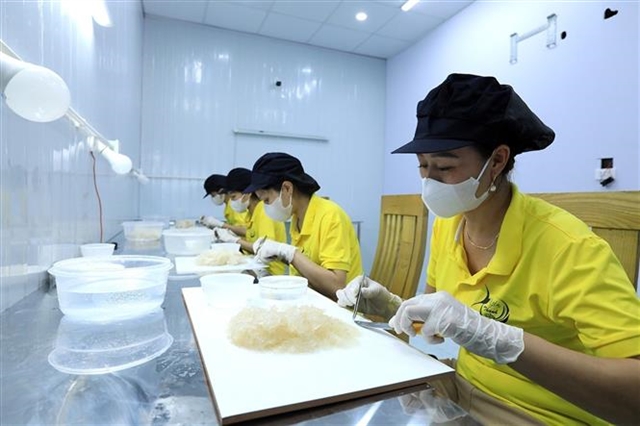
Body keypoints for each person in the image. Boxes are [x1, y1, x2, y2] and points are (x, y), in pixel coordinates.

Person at [336, 73, 640, 425]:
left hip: (540, 412)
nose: (430, 181)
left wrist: (500, 340)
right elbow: (434, 325)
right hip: (462, 386)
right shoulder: (448, 226)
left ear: (496, 161)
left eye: (445, 166)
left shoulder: (568, 246)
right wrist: (391, 306)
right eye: (422, 165)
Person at [243, 152, 363, 300]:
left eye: (267, 200)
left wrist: (289, 253)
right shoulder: (297, 218)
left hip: (339, 307)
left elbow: (337, 286)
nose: (265, 207)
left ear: (287, 188)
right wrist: (277, 260)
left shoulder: (330, 216)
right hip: (312, 299)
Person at [213, 167, 287, 276]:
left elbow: (264, 249)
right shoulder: (251, 213)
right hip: (256, 265)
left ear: (248, 193)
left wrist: (234, 240)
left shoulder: (264, 211)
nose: (232, 202)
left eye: (233, 197)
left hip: (270, 272)